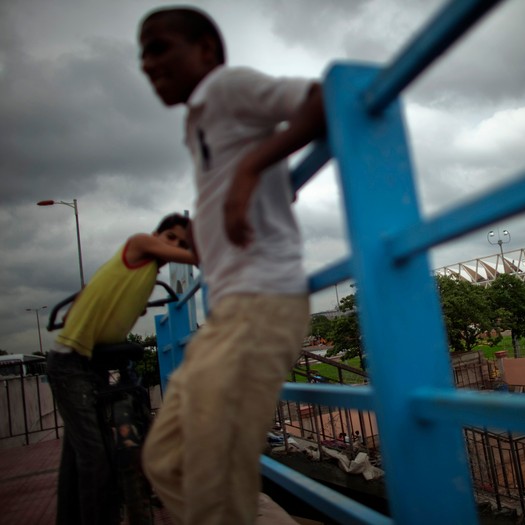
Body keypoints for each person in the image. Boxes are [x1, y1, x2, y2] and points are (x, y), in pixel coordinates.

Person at [137, 7, 326, 524]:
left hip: (261, 301)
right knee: (168, 461)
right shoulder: (198, 118)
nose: (146, 63)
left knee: (210, 472)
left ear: (205, 50)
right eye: (141, 53)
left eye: (158, 47)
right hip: (228, 312)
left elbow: (321, 98)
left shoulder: (227, 87)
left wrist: (249, 167)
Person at [47, 213, 198, 525]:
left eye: (181, 242)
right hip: (70, 361)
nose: (174, 246)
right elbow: (192, 256)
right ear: (157, 235)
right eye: (170, 238)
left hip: (92, 363)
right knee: (95, 459)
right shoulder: (139, 242)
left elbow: (101, 290)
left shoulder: (145, 275)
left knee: (78, 454)